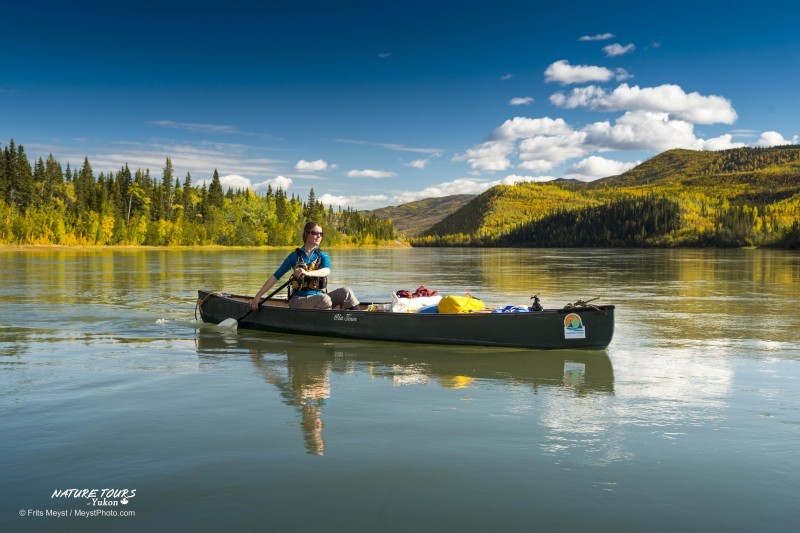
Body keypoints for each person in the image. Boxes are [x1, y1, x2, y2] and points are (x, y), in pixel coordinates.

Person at [249, 222, 360, 311]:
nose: (319, 236)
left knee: (346, 292)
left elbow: (327, 271)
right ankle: (330, 326)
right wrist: (258, 296)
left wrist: (307, 273)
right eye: (315, 233)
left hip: (320, 297)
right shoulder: (294, 256)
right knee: (324, 299)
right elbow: (275, 277)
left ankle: (359, 320)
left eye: (321, 234)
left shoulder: (323, 256)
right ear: (306, 234)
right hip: (299, 300)